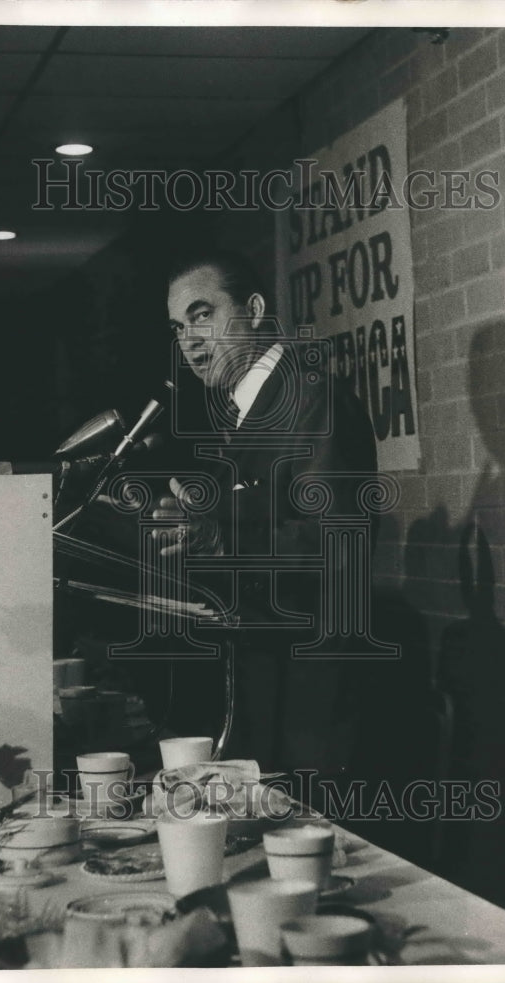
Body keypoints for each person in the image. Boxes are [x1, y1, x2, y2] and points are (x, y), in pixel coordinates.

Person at [152, 249, 378, 773]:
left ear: (253, 310)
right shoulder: (242, 409)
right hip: (265, 691)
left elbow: (338, 543)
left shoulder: (311, 398)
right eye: (178, 327)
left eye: (202, 315)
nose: (189, 341)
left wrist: (221, 542)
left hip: (311, 699)